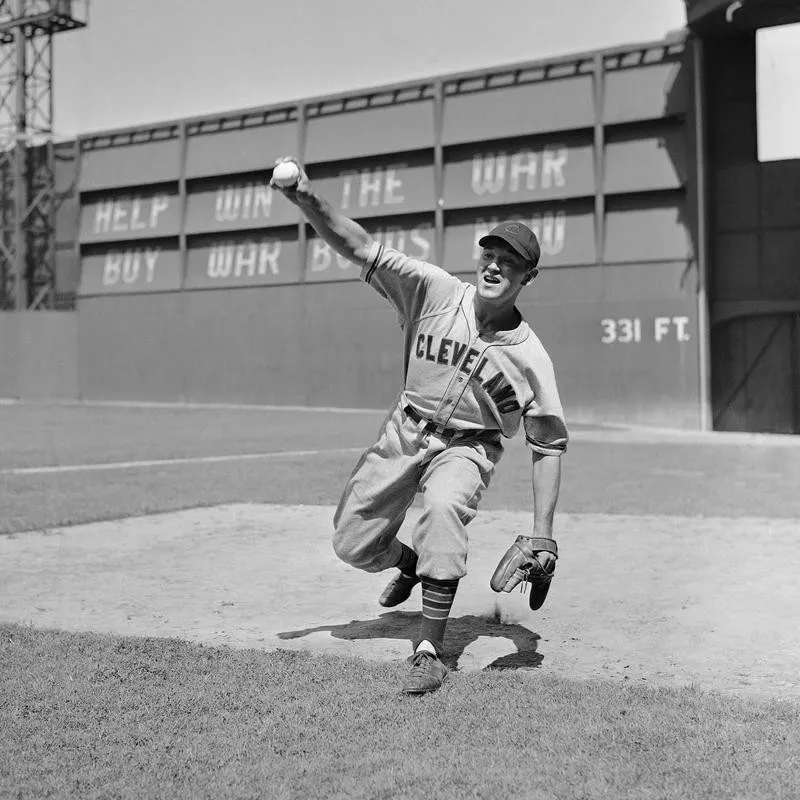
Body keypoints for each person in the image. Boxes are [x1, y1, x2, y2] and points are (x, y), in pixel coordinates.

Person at [270, 158, 568, 695]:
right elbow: (360, 247)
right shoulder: (433, 292)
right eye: (490, 255)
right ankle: (408, 564)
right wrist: (304, 198)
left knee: (443, 506)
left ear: (529, 276)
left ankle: (431, 649)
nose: (495, 266)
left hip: (469, 447)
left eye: (510, 262)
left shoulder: (531, 358)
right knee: (352, 543)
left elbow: (548, 446)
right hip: (404, 432)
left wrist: (544, 535)